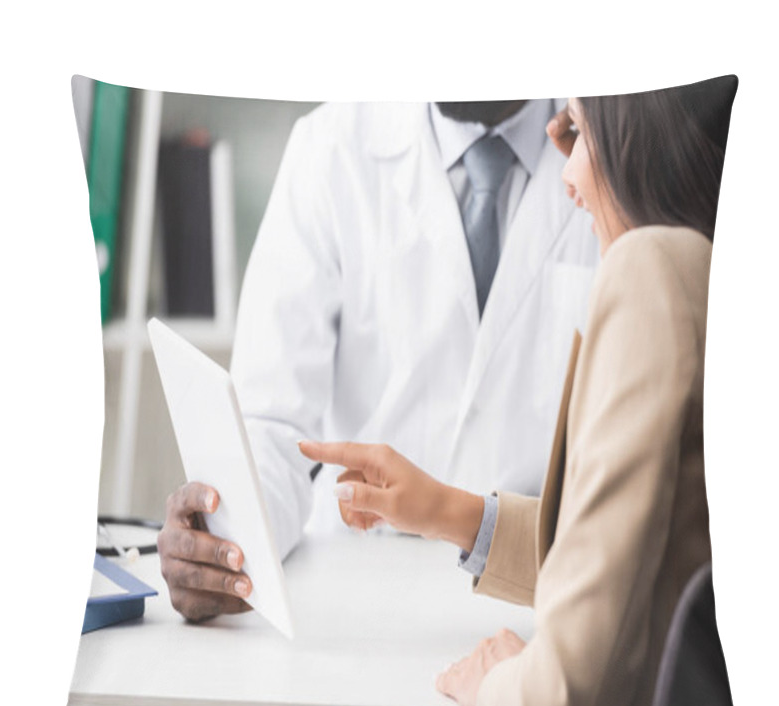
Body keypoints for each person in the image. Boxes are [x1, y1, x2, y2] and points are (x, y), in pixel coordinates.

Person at [298, 75, 737, 706]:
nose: (568, 175)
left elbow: (563, 691)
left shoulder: (648, 267)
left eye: (578, 132)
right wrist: (453, 512)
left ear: (632, 135)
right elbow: (625, 552)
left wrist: (500, 679)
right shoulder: (703, 266)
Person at [157, 100, 599, 621]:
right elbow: (272, 425)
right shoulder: (330, 147)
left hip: (544, 599)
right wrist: (229, 537)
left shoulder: (612, 152)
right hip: (354, 596)